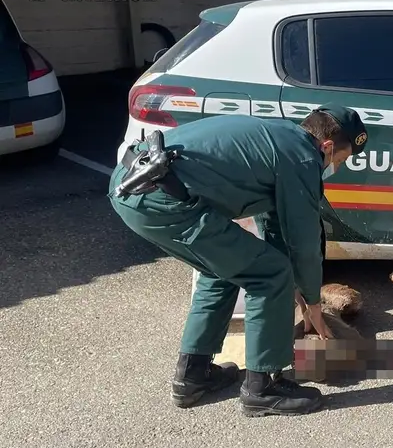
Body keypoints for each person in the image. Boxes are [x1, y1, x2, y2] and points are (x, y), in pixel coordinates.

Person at [107, 107, 368, 415]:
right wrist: (311, 301)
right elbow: (304, 239)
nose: (335, 166)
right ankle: (263, 388)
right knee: (268, 274)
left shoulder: (280, 139)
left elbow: (274, 222)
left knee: (222, 271)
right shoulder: (302, 158)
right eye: (340, 159)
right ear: (327, 146)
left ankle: (192, 376)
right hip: (160, 196)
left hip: (132, 186)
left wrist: (297, 285)